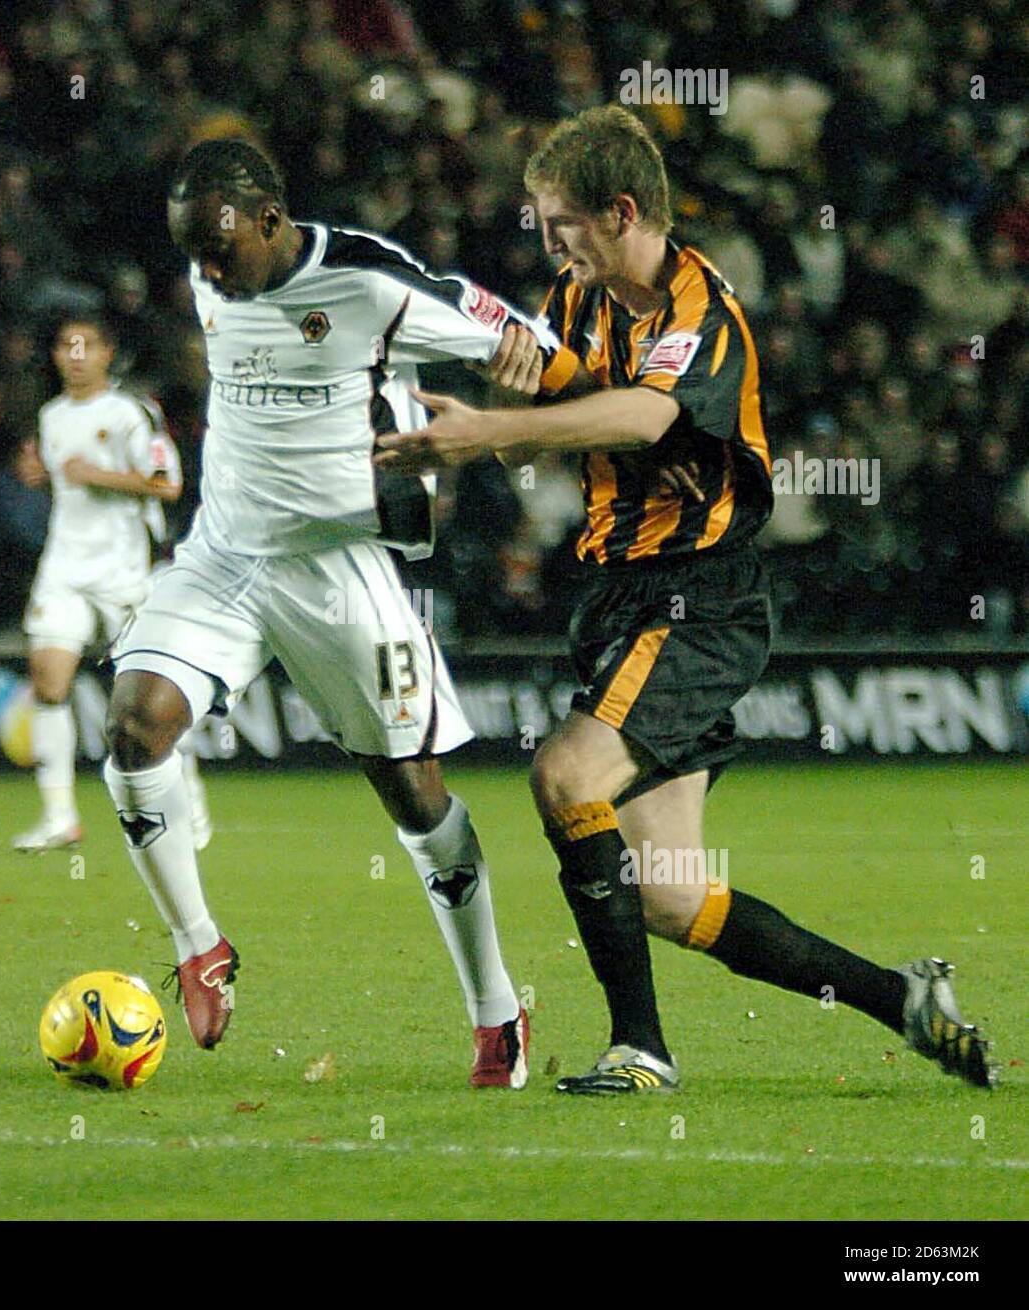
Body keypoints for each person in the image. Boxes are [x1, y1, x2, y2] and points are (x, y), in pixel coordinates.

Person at [376, 106, 994, 1094]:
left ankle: (640, 1047)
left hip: (697, 601)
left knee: (565, 775)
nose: (550, 245)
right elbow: (578, 399)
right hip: (620, 600)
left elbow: (642, 414)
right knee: (668, 896)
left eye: (562, 225)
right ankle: (904, 996)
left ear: (620, 212)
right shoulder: (581, 303)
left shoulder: (700, 309)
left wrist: (492, 426)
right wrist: (503, 405)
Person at [103, 138, 548, 1086]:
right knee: (135, 727)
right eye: (195, 255)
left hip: (339, 574)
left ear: (271, 221)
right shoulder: (210, 272)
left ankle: (495, 1011)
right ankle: (199, 945)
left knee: (414, 799)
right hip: (222, 558)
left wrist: (507, 425)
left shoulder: (369, 283)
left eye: (220, 252)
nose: (208, 273)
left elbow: (524, 351)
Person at [13, 316, 210, 851]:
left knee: (152, 696)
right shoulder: (50, 416)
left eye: (86, 346)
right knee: (49, 683)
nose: (75, 355)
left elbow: (168, 485)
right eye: (65, 345)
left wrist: (96, 476)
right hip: (65, 568)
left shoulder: (130, 412)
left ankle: (188, 798)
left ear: (106, 354)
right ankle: (59, 817)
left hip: (127, 571)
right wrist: (44, 476)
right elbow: (64, 481)